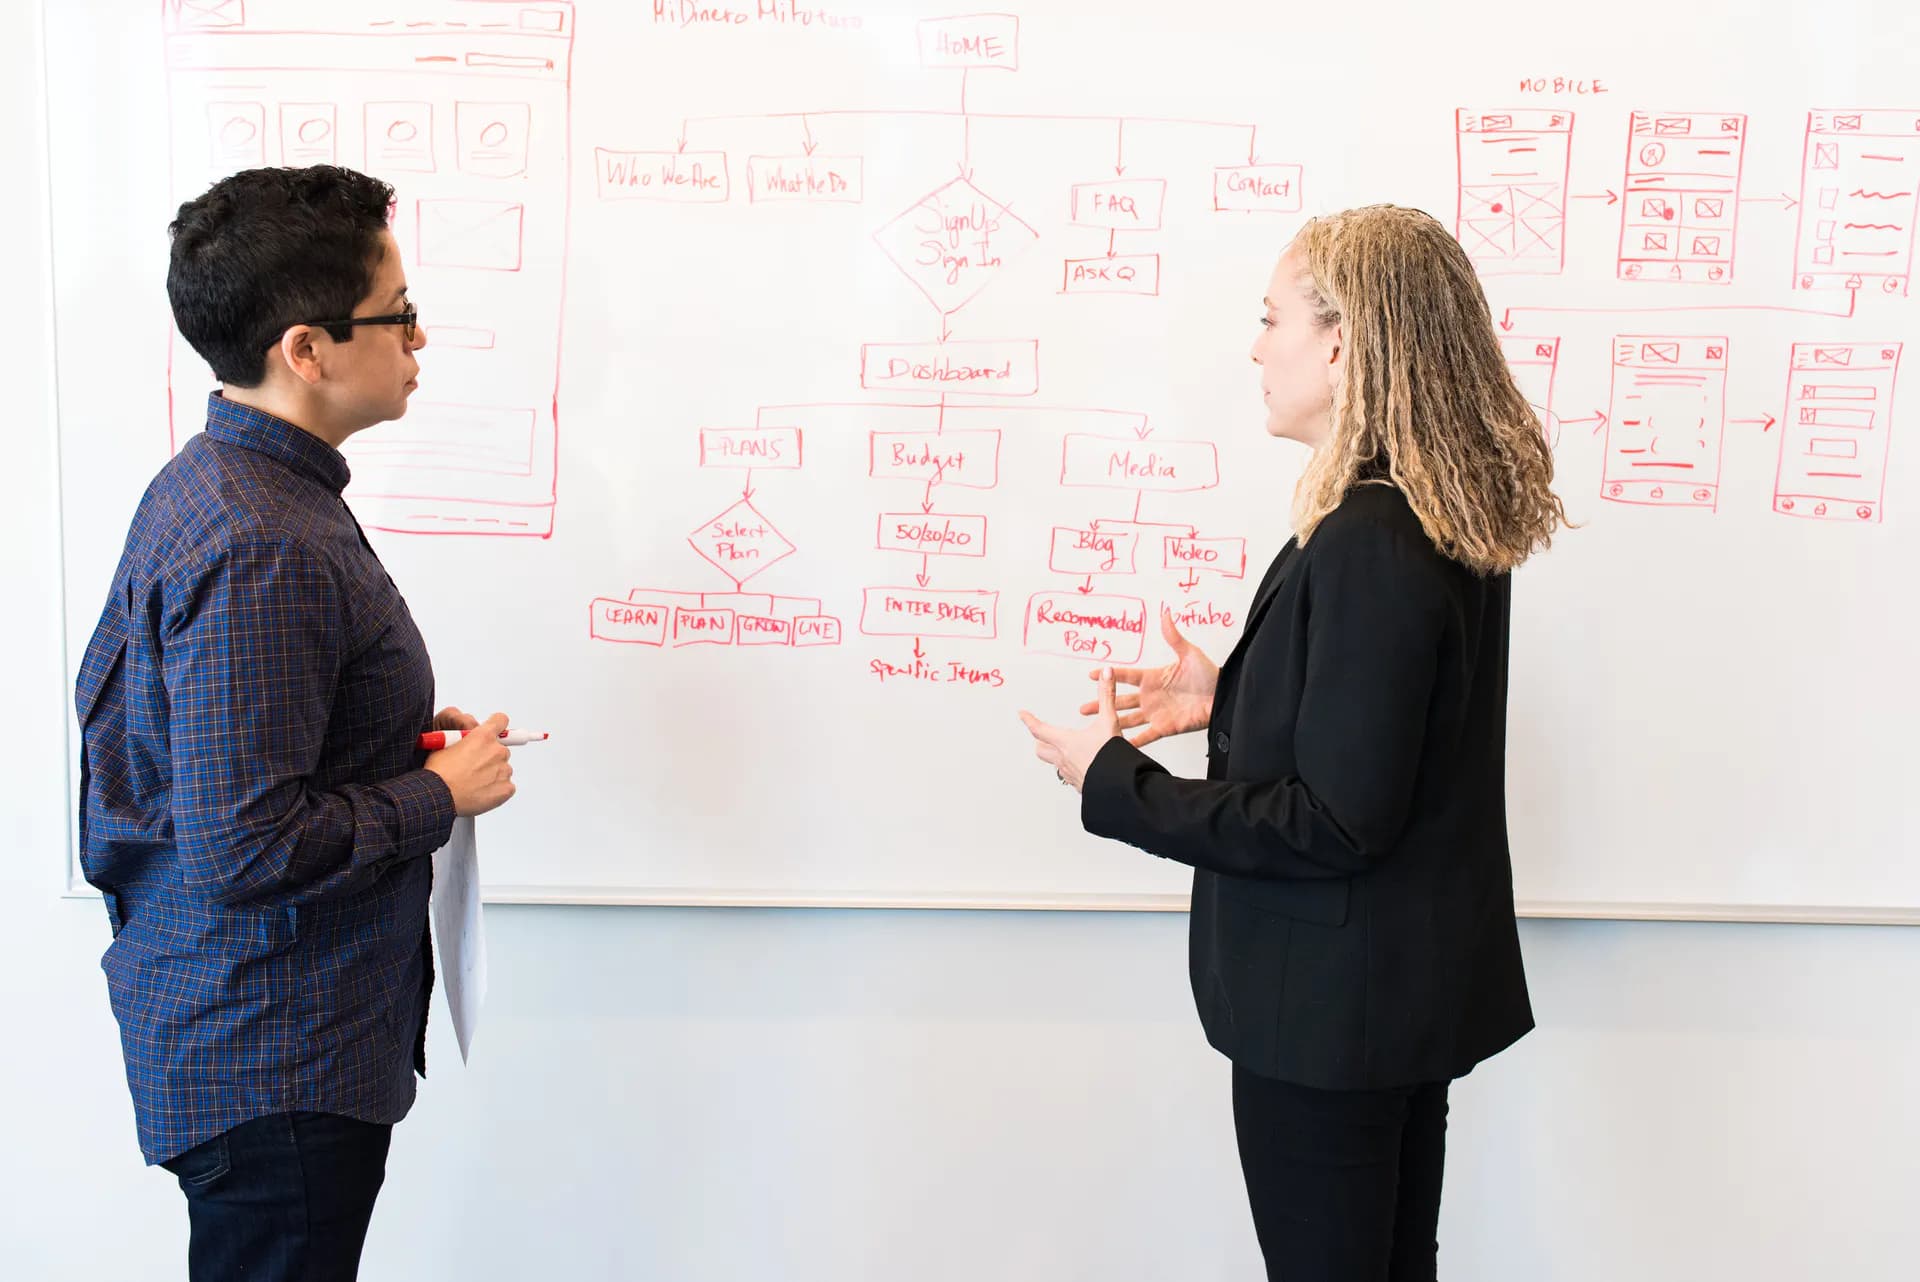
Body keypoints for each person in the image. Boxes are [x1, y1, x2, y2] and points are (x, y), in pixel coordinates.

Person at [1019, 204, 1567, 1280]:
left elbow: (1335, 819)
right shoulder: (1434, 515)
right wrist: (1231, 697)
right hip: (1389, 1010)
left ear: (1343, 341)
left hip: (1332, 1026)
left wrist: (1117, 782)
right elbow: (1393, 738)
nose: (1257, 346)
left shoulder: (1370, 535)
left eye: (1272, 319)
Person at [73, 164, 519, 1282]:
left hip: (259, 1037)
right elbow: (247, 842)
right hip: (273, 1059)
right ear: (307, 350)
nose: (421, 339)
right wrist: (439, 796)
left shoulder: (235, 489)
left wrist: (391, 750)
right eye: (400, 316)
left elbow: (229, 769)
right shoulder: (261, 541)